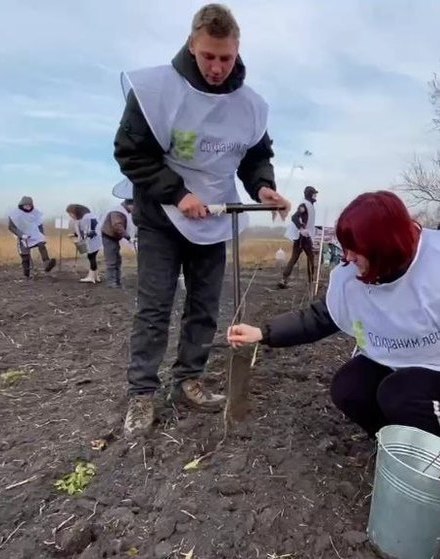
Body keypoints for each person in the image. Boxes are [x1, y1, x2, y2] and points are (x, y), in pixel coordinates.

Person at [113, 3, 290, 437]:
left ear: (237, 50)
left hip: (215, 215)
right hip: (160, 215)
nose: (216, 67)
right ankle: (141, 394)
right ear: (193, 45)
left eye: (225, 58)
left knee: (205, 306)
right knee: (155, 306)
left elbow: (255, 156)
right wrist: (177, 193)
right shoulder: (156, 90)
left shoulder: (249, 105)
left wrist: (262, 187)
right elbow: (130, 152)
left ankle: (189, 379)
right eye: (208, 56)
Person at [228, 191, 440, 451]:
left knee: (399, 394)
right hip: (394, 357)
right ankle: (396, 447)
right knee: (348, 388)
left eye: (355, 249)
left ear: (384, 249)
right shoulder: (356, 271)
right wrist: (263, 332)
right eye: (345, 247)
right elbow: (321, 316)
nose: (347, 258)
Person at [278, 185, 319, 288]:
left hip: (305, 237)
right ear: (310, 195)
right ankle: (286, 280)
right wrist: (301, 228)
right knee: (300, 258)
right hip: (301, 238)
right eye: (314, 194)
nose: (315, 196)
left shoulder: (309, 205)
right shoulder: (304, 205)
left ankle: (286, 280)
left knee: (307, 257)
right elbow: (294, 217)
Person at [7, 196, 56, 278]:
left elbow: (39, 224)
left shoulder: (35, 213)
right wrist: (21, 235)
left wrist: (41, 234)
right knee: (25, 256)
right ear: (21, 205)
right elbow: (11, 227)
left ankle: (47, 263)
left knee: (41, 245)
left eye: (29, 205)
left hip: (34, 234)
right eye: (25, 205)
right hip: (22, 236)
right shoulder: (15, 214)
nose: (27, 207)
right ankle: (26, 273)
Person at [102, 198, 136, 288]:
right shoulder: (117, 212)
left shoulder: (122, 211)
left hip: (114, 238)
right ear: (130, 205)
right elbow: (117, 226)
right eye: (135, 207)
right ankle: (112, 283)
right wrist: (127, 236)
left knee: (117, 260)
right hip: (109, 238)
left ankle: (117, 281)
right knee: (112, 261)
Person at [66, 204, 103, 284]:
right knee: (92, 257)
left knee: (91, 256)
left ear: (75, 212)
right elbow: (85, 230)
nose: (70, 215)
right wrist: (75, 235)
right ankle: (95, 276)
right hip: (95, 239)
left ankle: (91, 277)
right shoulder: (87, 217)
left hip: (93, 240)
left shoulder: (87, 217)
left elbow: (90, 230)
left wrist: (83, 237)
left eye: (70, 213)